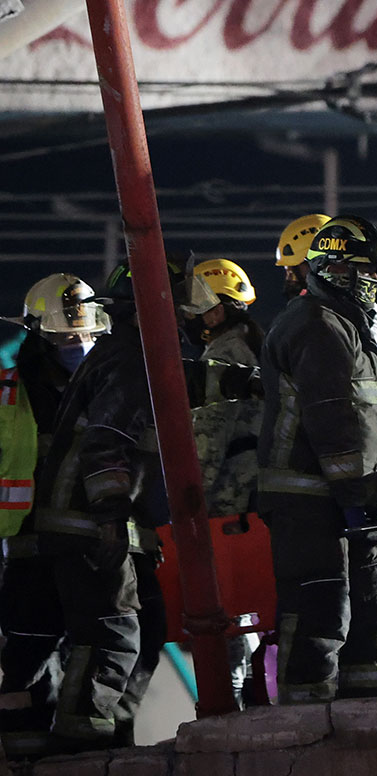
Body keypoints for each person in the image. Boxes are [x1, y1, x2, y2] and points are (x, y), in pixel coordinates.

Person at [34, 257, 219, 751]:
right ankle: (80, 748)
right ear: (156, 306)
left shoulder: (134, 353)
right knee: (112, 635)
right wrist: (113, 516)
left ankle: (112, 737)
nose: (186, 317)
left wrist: (246, 380)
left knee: (147, 628)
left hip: (102, 522)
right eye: (178, 306)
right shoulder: (132, 358)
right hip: (89, 523)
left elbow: (184, 383)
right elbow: (106, 442)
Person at [258, 214, 377, 703]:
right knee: (320, 611)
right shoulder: (320, 326)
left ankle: (367, 721)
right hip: (314, 496)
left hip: (350, 495)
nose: (372, 280)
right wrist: (357, 500)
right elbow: (337, 420)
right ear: (337, 269)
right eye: (364, 269)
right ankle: (305, 730)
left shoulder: (348, 321)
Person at [0, 274, 108, 758]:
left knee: (91, 650)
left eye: (85, 335)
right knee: (27, 657)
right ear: (37, 336)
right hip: (23, 546)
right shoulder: (9, 394)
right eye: (66, 337)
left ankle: (77, 753)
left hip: (86, 546)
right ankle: (23, 753)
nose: (78, 345)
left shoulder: (102, 389)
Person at [276, 213, 377, 462]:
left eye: (293, 270)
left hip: (373, 468)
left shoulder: (359, 318)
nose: (289, 280)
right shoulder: (314, 319)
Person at [187, 257, 265, 708]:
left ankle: (228, 708)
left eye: (197, 306)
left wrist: (187, 501)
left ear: (217, 310)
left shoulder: (222, 355)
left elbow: (207, 440)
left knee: (229, 613)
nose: (190, 316)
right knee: (247, 609)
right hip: (250, 501)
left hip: (227, 506)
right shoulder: (252, 346)